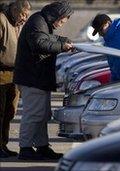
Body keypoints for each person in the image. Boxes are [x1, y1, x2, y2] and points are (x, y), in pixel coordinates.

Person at [13, 0, 73, 160]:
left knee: (42, 114)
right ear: (56, 15)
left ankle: (42, 146)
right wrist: (62, 46)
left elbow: (47, 39)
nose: (61, 24)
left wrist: (63, 41)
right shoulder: (38, 22)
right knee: (33, 114)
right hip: (32, 77)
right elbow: (39, 43)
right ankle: (25, 148)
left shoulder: (42, 21)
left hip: (37, 77)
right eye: (61, 20)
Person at [0, 0, 31, 158]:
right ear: (14, 10)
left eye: (27, 16)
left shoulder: (17, 24)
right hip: (1, 75)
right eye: (23, 15)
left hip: (13, 76)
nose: (25, 18)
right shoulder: (2, 20)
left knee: (9, 112)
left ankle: (3, 145)